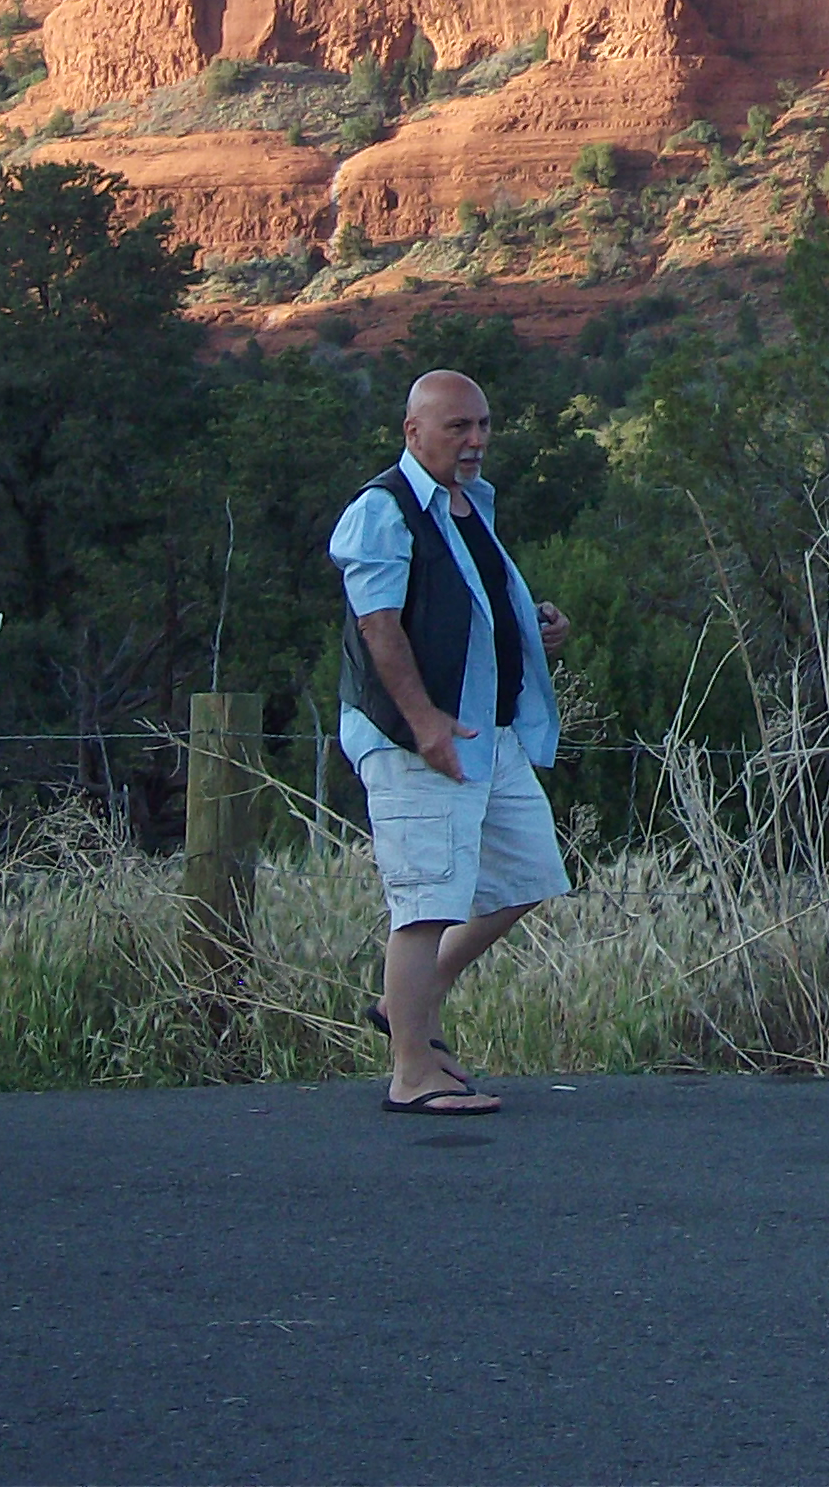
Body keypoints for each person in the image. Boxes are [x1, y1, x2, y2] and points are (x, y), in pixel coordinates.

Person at [329, 369, 574, 1115]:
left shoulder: (468, 506)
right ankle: (412, 1072)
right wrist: (426, 723)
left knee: (530, 874)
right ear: (413, 432)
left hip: (486, 730)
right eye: (456, 427)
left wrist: (537, 627)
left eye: (482, 426)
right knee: (426, 900)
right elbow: (380, 627)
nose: (474, 441)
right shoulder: (383, 511)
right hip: (420, 740)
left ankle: (404, 1008)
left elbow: (467, 607)